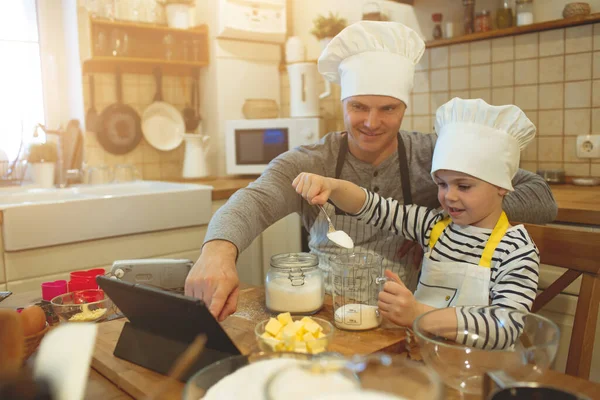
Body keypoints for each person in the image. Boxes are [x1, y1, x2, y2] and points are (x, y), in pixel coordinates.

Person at [185, 21, 557, 322]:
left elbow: (539, 195)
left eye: (388, 109)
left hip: (403, 320)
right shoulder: (313, 159)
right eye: (359, 106)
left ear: (404, 108)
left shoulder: (436, 156)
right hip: (325, 314)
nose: (371, 122)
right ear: (343, 102)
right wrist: (217, 251)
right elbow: (254, 200)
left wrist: (451, 221)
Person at [292, 97, 539, 349]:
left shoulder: (515, 250)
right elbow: (373, 207)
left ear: (502, 188)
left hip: (481, 373)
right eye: (442, 184)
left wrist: (419, 313)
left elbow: (506, 326)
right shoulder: (433, 226)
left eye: (463, 186)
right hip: (424, 355)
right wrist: (332, 186)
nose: (449, 196)